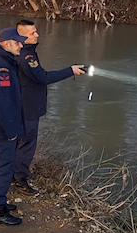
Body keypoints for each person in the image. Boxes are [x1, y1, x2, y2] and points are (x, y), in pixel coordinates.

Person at [14, 20, 85, 196]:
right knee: (27, 143)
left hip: (24, 105)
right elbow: (43, 77)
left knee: (20, 142)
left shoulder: (24, 53)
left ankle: (16, 172)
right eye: (32, 33)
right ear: (22, 36)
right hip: (28, 108)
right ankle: (19, 178)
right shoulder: (26, 57)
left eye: (36, 31)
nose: (37, 35)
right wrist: (70, 71)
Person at [0, 28, 27, 226]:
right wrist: (11, 131)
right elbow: (2, 102)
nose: (21, 45)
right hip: (2, 128)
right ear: (7, 43)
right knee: (4, 167)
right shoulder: (1, 66)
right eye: (18, 42)